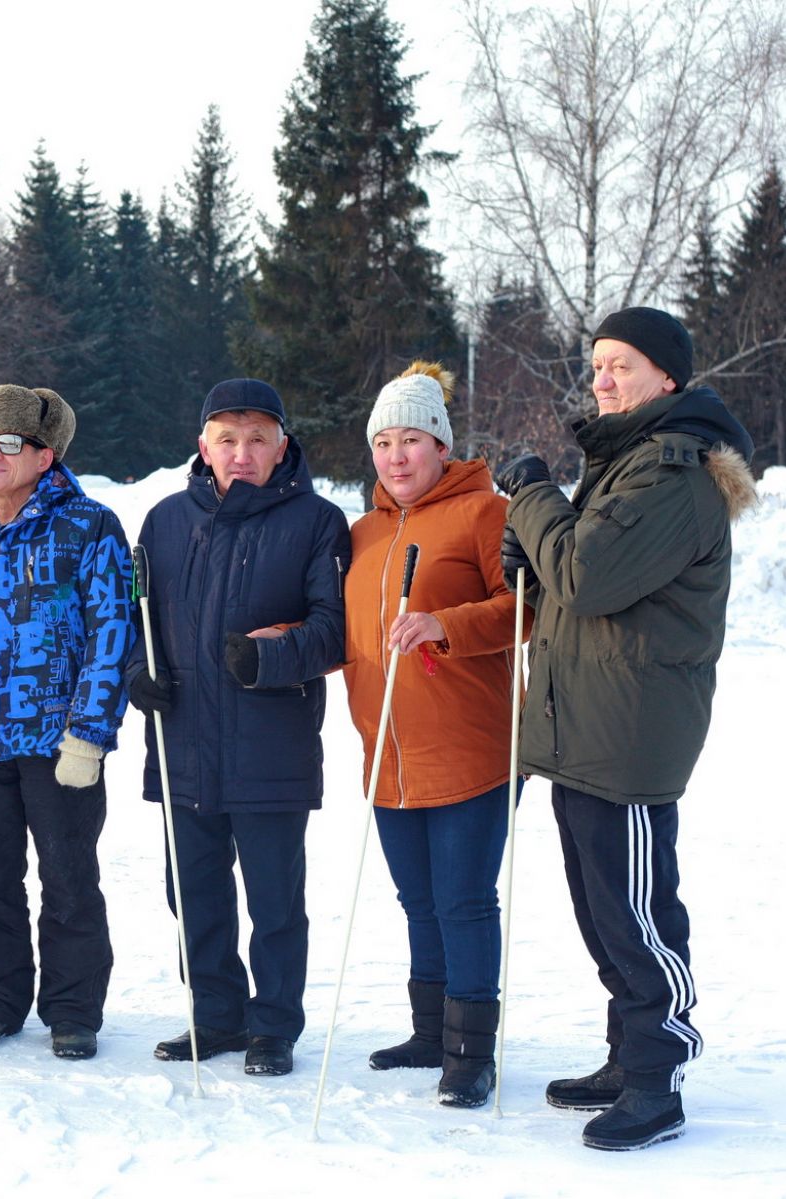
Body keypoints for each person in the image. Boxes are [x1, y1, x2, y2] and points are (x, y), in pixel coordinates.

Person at [497, 306, 755, 1150]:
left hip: (631, 733)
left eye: (624, 365)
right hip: (587, 722)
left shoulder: (674, 477)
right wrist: (528, 548)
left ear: (669, 379)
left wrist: (532, 499)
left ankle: (657, 1075)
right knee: (602, 908)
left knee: (637, 912)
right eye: (598, 363)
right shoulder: (626, 464)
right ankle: (626, 1053)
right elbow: (570, 574)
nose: (603, 378)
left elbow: (589, 574)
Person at [125, 379, 347, 1078]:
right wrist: (139, 672)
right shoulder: (162, 521)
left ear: (282, 445)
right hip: (184, 742)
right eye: (228, 439)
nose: (242, 453)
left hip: (270, 748)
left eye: (257, 439)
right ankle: (217, 1014)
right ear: (203, 447)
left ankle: (274, 1025)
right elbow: (137, 620)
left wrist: (268, 656)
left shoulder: (317, 522)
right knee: (192, 894)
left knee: (274, 899)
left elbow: (333, 633)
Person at [0, 385, 134, 1061]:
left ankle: (73, 1007)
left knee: (68, 877)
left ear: (45, 453)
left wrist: (90, 733)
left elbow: (113, 632)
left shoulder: (88, 525)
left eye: (10, 442)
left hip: (59, 739)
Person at [343, 362, 523, 1108]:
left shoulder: (488, 512)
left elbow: (527, 609)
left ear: (441, 445)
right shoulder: (362, 531)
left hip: (470, 750)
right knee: (417, 900)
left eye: (410, 438)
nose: (395, 455)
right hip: (388, 754)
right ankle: (429, 1031)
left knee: (463, 901)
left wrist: (445, 625)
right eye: (383, 441)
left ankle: (470, 1054)